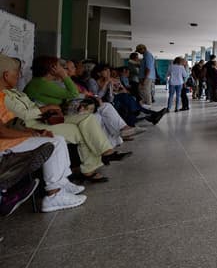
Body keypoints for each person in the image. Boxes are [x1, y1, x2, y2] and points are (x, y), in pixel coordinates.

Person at [1, 54, 128, 182]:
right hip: (32, 125)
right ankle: (91, 168)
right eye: (16, 73)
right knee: (82, 129)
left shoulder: (16, 91)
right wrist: (63, 78)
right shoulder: (31, 86)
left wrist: (50, 108)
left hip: (44, 118)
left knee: (87, 118)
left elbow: (69, 96)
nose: (19, 76)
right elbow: (72, 94)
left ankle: (105, 153)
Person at [0, 122, 86, 212]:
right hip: (4, 146)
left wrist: (37, 131)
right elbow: (2, 132)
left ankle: (62, 183)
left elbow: (13, 124)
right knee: (53, 144)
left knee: (58, 138)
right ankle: (54, 194)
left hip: (10, 140)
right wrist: (30, 134)